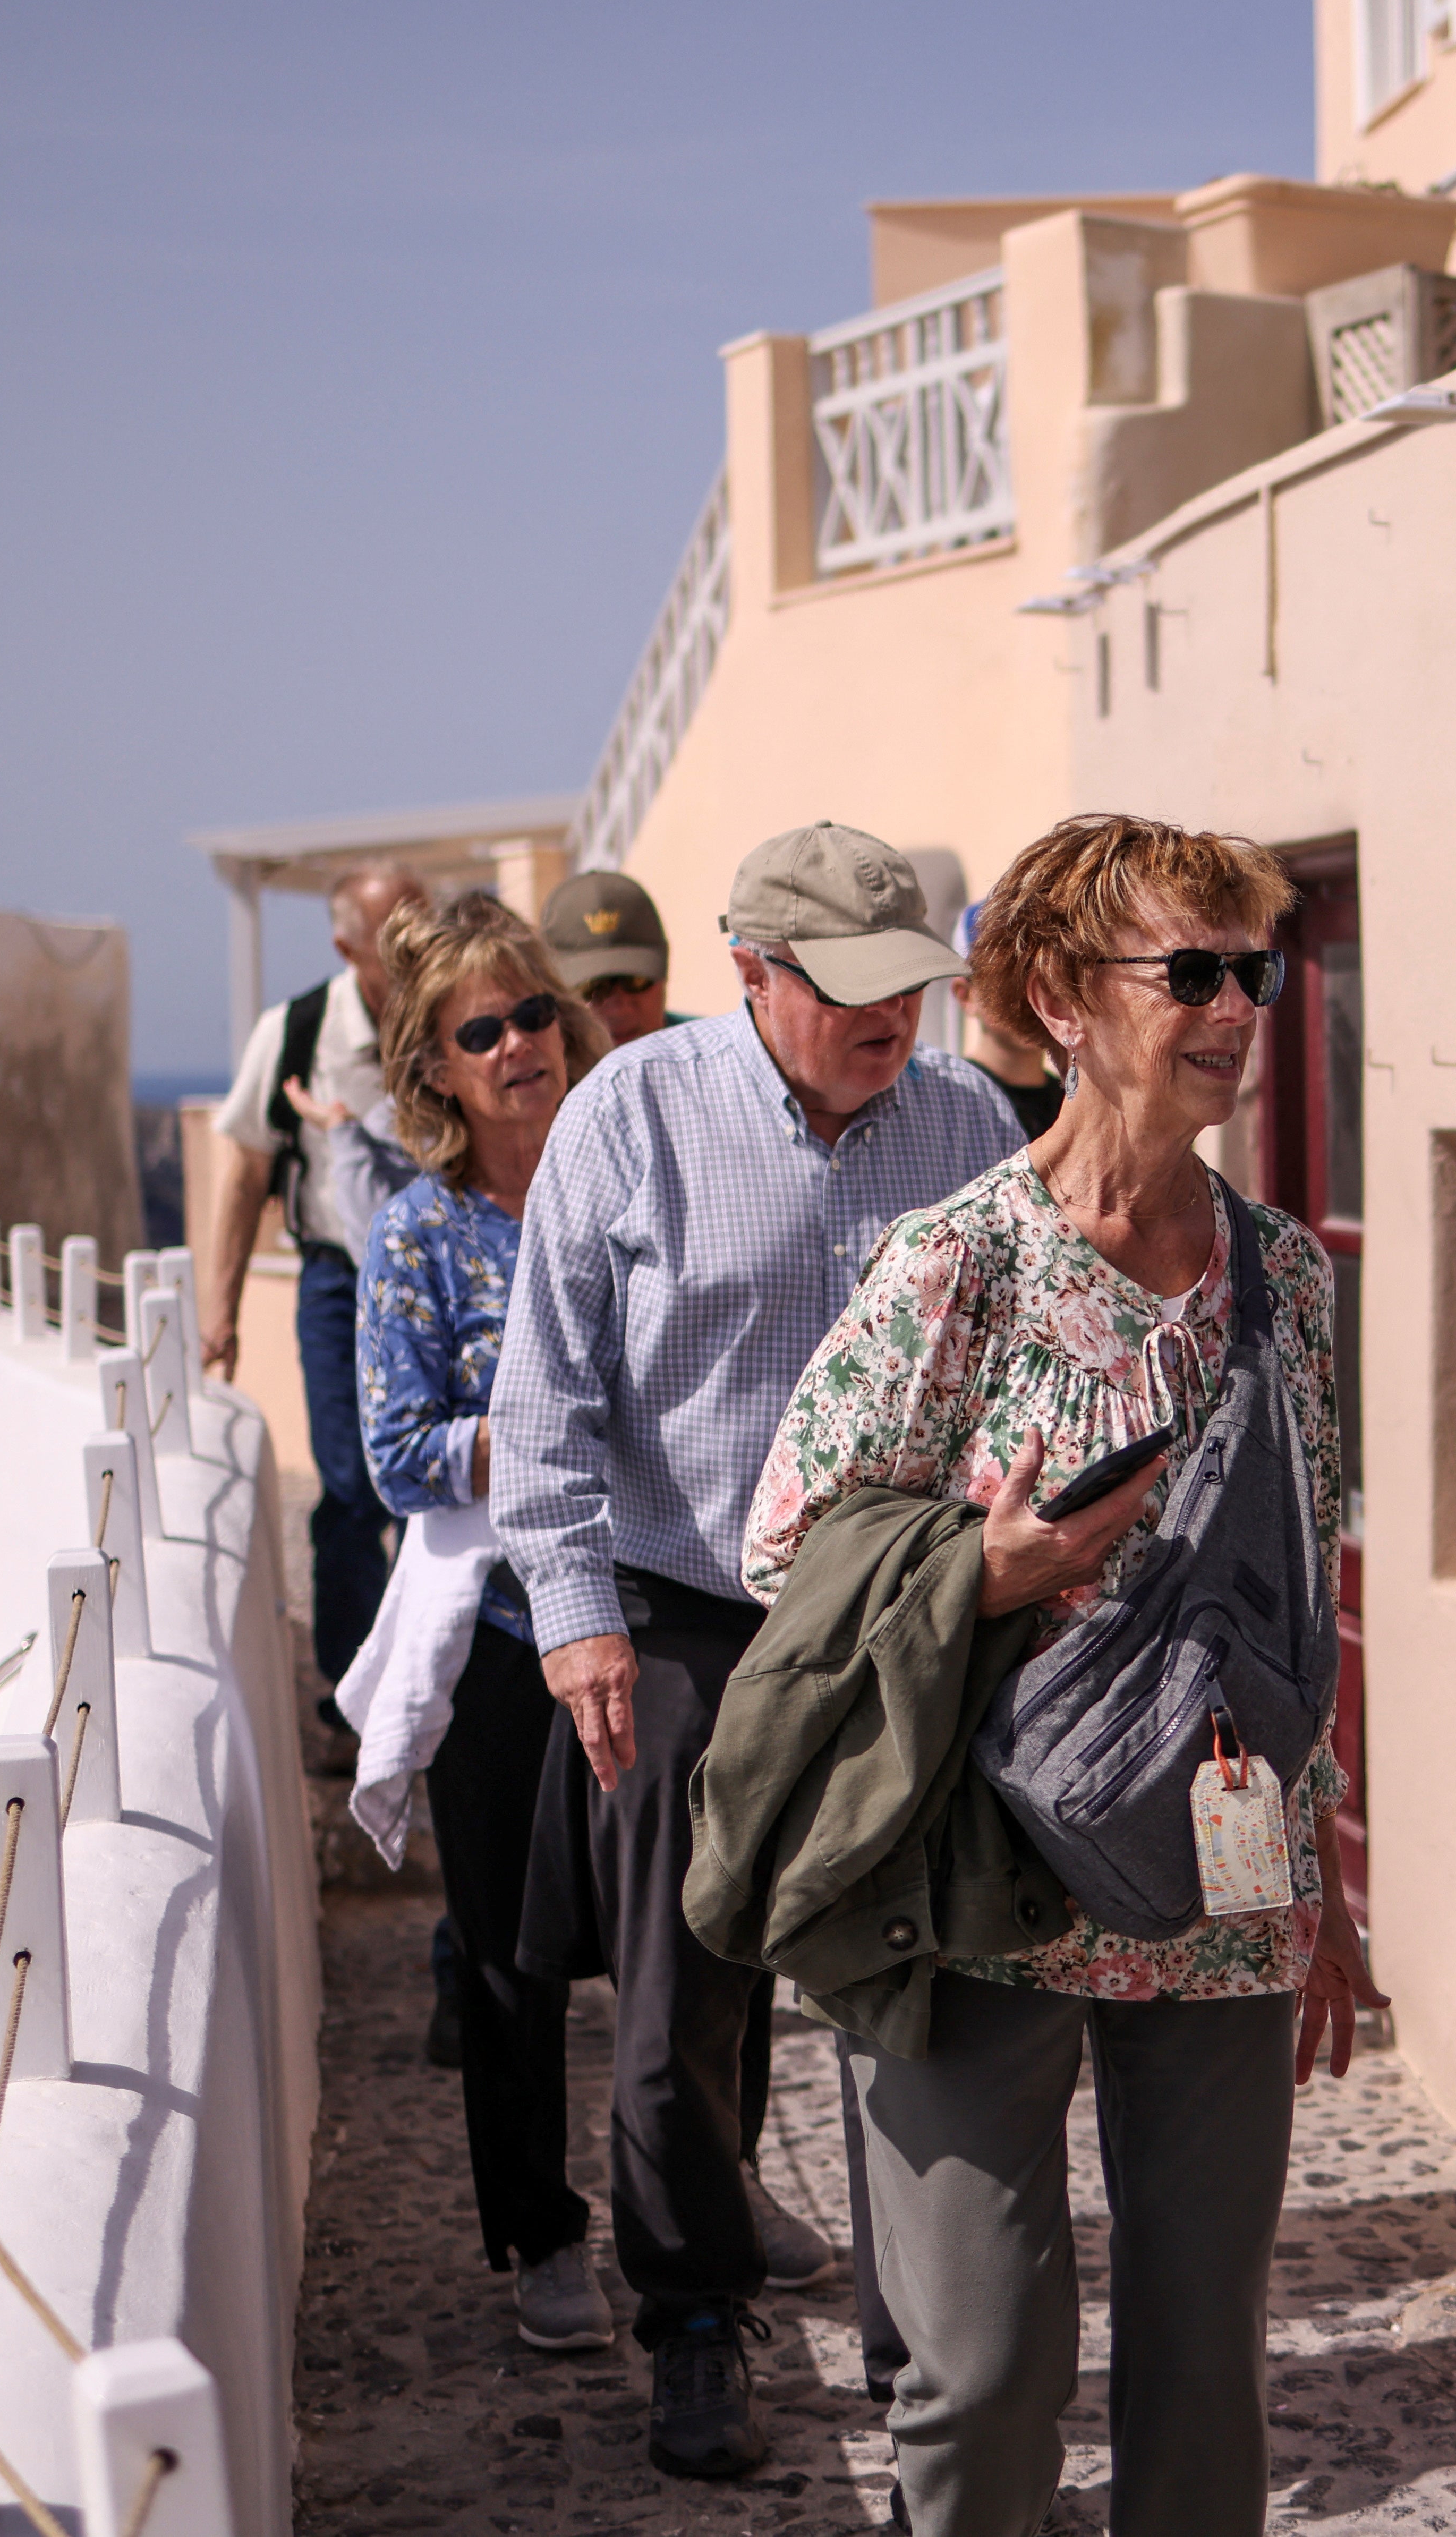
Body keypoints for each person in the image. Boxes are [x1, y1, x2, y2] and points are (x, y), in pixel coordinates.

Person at [741, 812, 1370, 2537]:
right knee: (982, 2372)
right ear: (1061, 1002)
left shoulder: (1283, 1275)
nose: (1233, 1007)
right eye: (1193, 972)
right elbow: (785, 1544)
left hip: (1221, 1880)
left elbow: (1293, 1594)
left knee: (1207, 2354)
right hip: (980, 1878)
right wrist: (987, 1570)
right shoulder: (960, 1262)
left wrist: (1316, 1874)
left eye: (1254, 971)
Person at [491, 820, 1021, 2479]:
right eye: (851, 988)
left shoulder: (969, 1122)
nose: (891, 1018)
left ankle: (921, 2343)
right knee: (679, 2002)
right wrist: (577, 1621)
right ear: (752, 974)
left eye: (909, 985)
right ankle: (697, 2319)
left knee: (912, 1986)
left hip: (904, 1616)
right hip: (682, 1612)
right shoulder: (630, 1116)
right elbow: (544, 1393)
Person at [353, 894, 620, 2354]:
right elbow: (398, 1454)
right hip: (507, 1644)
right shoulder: (417, 1235)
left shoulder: (627, 1182)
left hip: (646, 1610)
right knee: (515, 1960)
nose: (518, 1044)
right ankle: (542, 2232)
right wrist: (543, 1435)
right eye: (481, 1031)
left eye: (531, 1014)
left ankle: (709, 2197)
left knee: (694, 1928)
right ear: (437, 1072)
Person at [202, 860, 428, 1757]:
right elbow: (245, 1173)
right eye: (395, 934)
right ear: (346, 944)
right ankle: (350, 1700)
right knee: (348, 1489)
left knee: (436, 1491)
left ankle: (430, 1687)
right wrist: (219, 1311)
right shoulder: (297, 1031)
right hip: (338, 1281)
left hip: (438, 1282)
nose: (416, 946)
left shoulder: (454, 1015)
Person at [948, 899, 1065, 1136]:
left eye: (1044, 975)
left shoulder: (1076, 1104)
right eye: (1008, 980)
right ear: (966, 996)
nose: (1031, 996)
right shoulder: (949, 1101)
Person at [540, 866, 682, 1046]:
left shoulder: (711, 1053)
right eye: (592, 987)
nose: (618, 1008)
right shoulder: (535, 1062)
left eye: (636, 981)